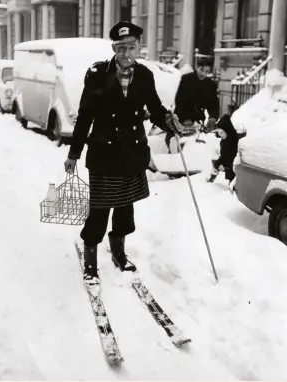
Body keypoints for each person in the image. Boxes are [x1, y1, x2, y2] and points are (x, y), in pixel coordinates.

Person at [64, 21, 178, 284]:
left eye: (132, 47)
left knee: (125, 208)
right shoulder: (97, 74)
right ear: (114, 48)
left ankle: (119, 253)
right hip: (104, 154)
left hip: (132, 153)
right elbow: (85, 117)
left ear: (139, 47)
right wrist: (73, 154)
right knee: (100, 209)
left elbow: (156, 109)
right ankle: (91, 261)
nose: (127, 52)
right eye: (121, 47)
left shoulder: (145, 75)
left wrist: (169, 122)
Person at [165, 56, 219, 150]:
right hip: (182, 117)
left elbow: (213, 103)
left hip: (198, 120)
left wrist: (213, 117)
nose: (203, 74)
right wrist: (187, 118)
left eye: (207, 71)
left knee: (198, 144)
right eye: (202, 70)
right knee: (175, 140)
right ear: (197, 67)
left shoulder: (211, 85)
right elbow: (179, 100)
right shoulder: (186, 80)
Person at [207, 114, 246, 184]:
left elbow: (234, 158)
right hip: (229, 168)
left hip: (237, 171)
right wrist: (217, 164)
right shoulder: (223, 141)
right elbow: (224, 156)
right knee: (216, 163)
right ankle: (211, 181)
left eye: (221, 132)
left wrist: (225, 167)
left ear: (227, 130)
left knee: (233, 186)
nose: (219, 135)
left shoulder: (235, 141)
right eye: (218, 132)